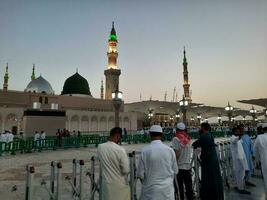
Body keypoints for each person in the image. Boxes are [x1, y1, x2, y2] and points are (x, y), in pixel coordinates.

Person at [137, 125, 178, 200]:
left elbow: (140, 174)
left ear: (150, 135)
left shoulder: (145, 151)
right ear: (162, 135)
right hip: (167, 192)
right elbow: (175, 170)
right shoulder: (170, 150)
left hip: (150, 192)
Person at [192, 123, 224, 200]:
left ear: (203, 128)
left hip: (208, 161)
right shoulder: (210, 135)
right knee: (215, 178)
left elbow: (194, 144)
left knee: (208, 179)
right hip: (213, 159)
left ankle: (209, 196)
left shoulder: (204, 136)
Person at [97, 127, 130, 200]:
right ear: (118, 136)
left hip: (107, 185)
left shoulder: (100, 147)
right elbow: (126, 170)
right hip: (119, 185)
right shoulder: (120, 150)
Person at [172, 122, 193, 200]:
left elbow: (177, 153)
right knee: (189, 188)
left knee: (180, 188)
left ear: (177, 129)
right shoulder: (188, 138)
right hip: (188, 166)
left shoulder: (176, 139)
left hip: (179, 167)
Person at [230, 127, 250, 194]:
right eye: (237, 131)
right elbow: (235, 140)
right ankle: (240, 188)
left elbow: (240, 141)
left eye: (239, 131)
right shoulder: (233, 138)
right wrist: (240, 135)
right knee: (240, 174)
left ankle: (238, 186)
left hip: (241, 158)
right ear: (234, 132)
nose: (239, 132)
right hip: (237, 160)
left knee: (240, 173)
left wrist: (239, 136)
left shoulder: (238, 138)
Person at [253, 123, 267, 198]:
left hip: (264, 161)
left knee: (266, 177)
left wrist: (257, 161)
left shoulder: (259, 137)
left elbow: (255, 150)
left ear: (263, 129)